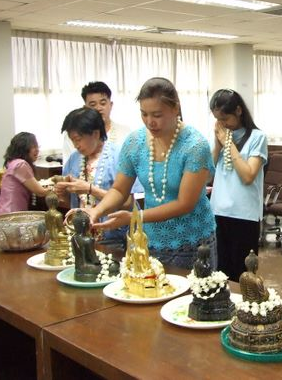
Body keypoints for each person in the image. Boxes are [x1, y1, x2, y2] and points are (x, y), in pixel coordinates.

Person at [85, 77, 216, 270]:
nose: (150, 122)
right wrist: (97, 211)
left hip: (192, 240)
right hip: (150, 238)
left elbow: (184, 203)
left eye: (157, 115)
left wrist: (135, 217)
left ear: (176, 108)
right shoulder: (135, 142)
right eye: (144, 114)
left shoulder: (195, 146)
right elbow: (119, 189)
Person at [55, 108, 137, 249]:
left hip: (116, 239)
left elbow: (128, 203)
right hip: (82, 237)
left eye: (78, 139)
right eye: (72, 140)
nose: (75, 145)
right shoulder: (74, 159)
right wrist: (62, 194)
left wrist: (90, 189)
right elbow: (74, 204)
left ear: (96, 133)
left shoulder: (119, 156)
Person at [209, 89, 268, 282]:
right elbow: (209, 173)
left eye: (225, 118)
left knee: (242, 275)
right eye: (218, 120)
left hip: (244, 215)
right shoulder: (223, 137)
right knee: (220, 273)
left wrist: (228, 143)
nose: (222, 124)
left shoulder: (257, 137)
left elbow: (248, 175)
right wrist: (218, 143)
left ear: (239, 111)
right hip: (219, 211)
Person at [62, 81, 131, 163]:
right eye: (93, 105)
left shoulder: (126, 133)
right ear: (85, 108)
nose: (98, 108)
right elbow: (69, 165)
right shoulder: (73, 135)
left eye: (103, 103)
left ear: (111, 105)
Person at [0, 132, 49, 215]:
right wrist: (57, 188)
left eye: (37, 146)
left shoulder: (12, 162)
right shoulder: (20, 165)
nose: (37, 150)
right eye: (33, 147)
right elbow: (40, 192)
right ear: (23, 148)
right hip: (13, 216)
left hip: (4, 214)